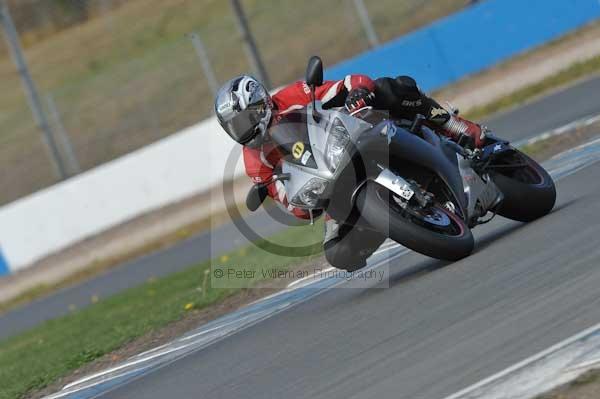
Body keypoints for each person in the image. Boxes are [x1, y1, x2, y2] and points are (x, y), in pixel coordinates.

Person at [214, 74, 487, 271]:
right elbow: (290, 203)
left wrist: (357, 93)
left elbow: (347, 83)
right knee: (339, 253)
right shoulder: (254, 161)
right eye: (234, 126)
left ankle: (456, 127)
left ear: (261, 104)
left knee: (390, 88)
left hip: (350, 138)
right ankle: (396, 220)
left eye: (244, 120)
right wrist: (302, 201)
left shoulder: (291, 96)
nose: (242, 130)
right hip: (329, 185)